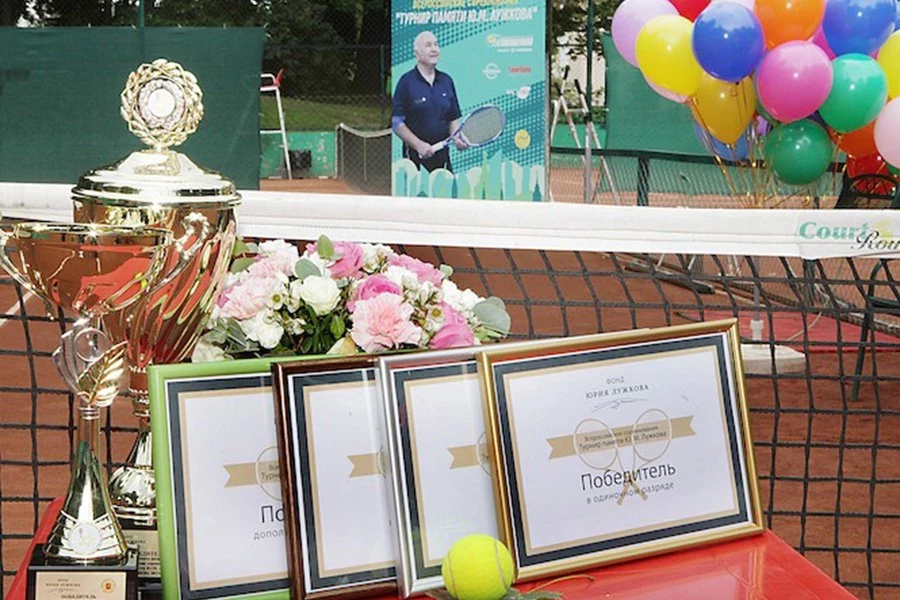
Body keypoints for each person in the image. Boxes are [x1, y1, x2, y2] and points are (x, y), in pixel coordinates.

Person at [392, 31, 468, 173]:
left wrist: (457, 139)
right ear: (417, 53)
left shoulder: (447, 81)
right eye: (428, 45)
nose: (434, 49)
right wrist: (418, 145)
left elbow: (453, 118)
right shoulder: (406, 82)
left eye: (436, 44)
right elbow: (396, 122)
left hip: (442, 160)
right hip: (414, 160)